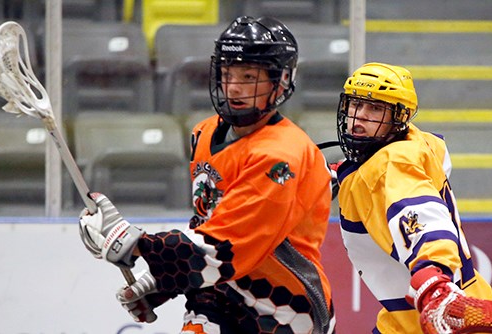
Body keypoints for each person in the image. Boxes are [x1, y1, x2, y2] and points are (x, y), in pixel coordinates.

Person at [78, 16, 336, 334]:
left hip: (282, 309)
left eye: (249, 75)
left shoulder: (281, 156)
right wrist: (162, 283)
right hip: (218, 295)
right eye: (228, 74)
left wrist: (142, 246)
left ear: (280, 82)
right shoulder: (205, 132)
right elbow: (208, 224)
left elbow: (225, 246)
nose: (235, 86)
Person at [331, 62, 492, 333]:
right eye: (355, 104)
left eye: (375, 109)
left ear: (400, 116)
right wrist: (345, 174)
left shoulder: (391, 165)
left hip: (437, 318)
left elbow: (421, 216)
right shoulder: (419, 143)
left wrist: (434, 273)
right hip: (431, 311)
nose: (359, 117)